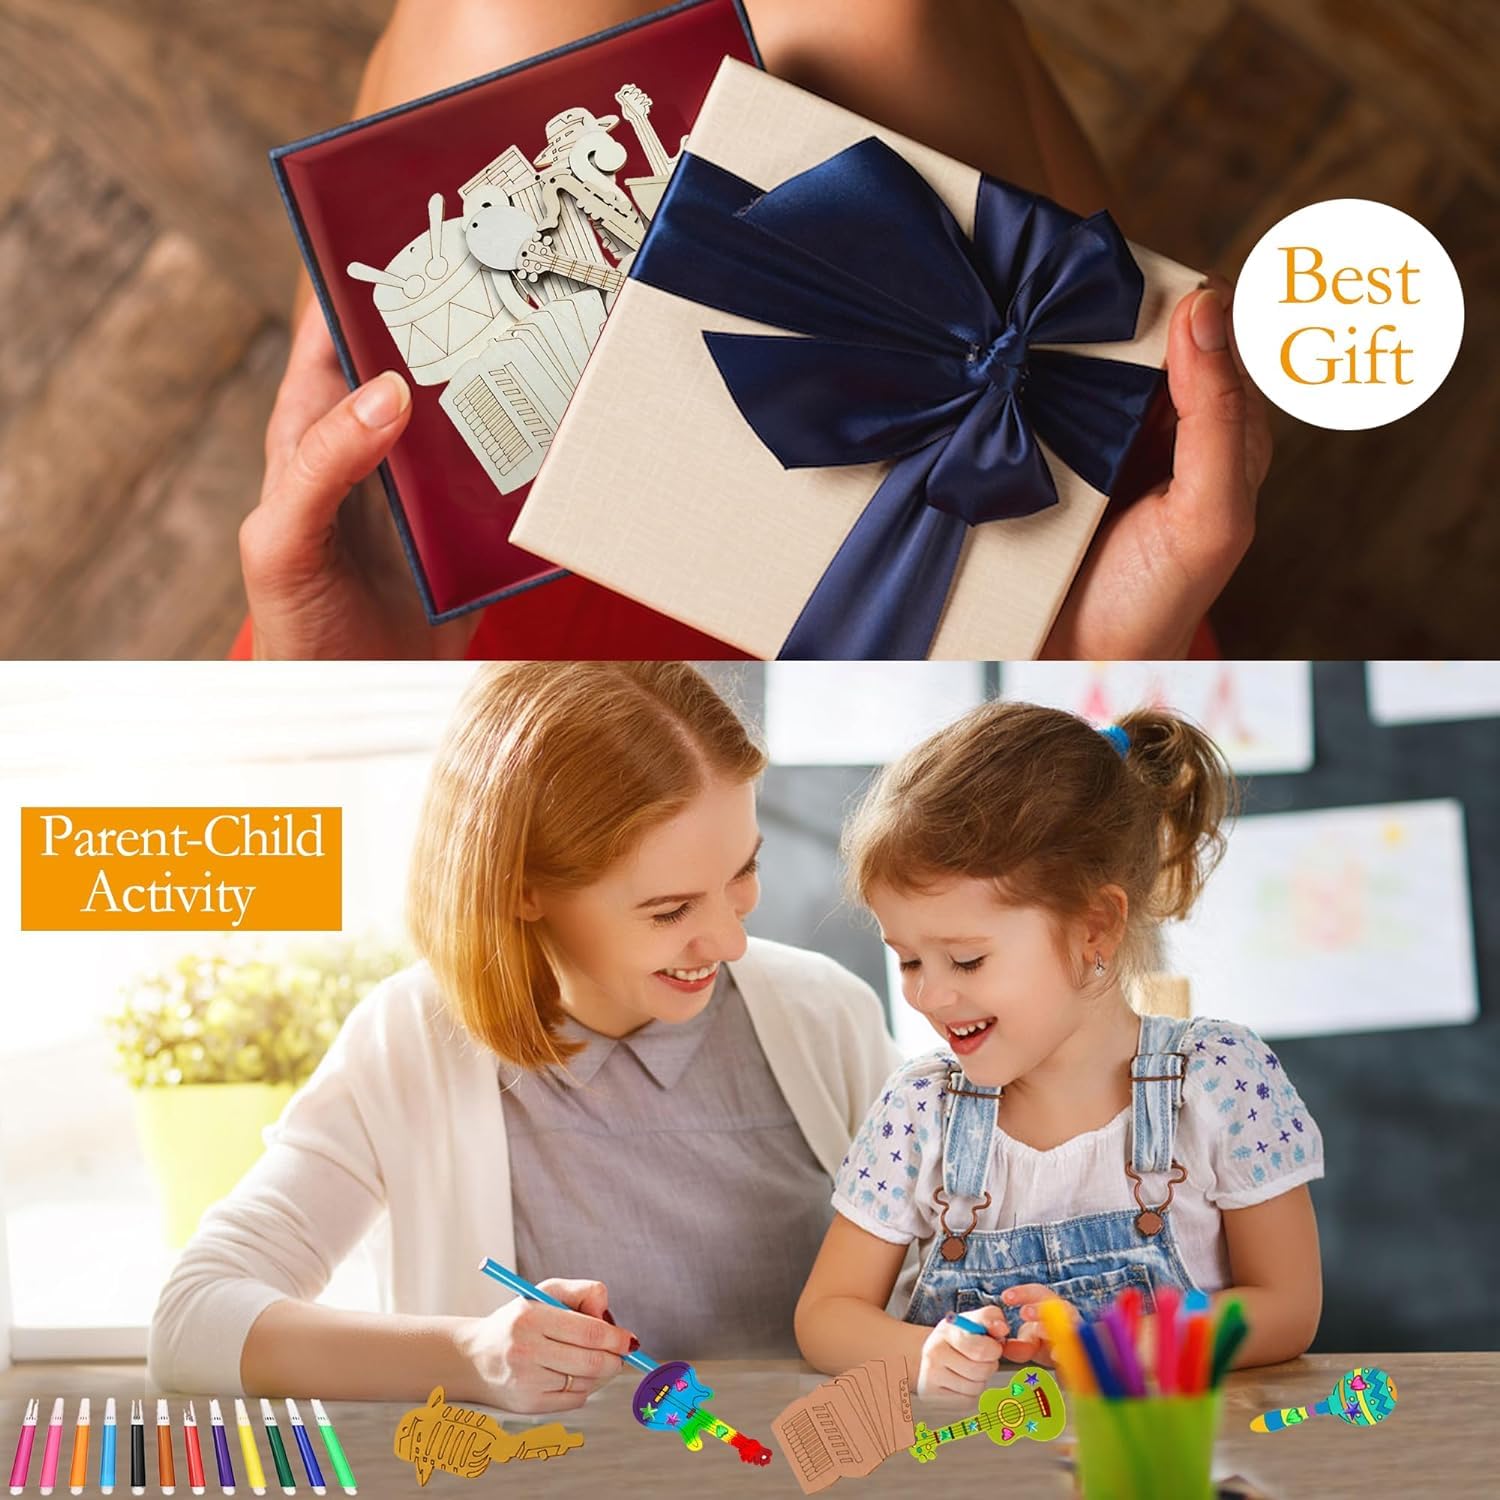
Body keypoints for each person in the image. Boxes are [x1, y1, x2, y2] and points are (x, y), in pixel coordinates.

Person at [240, 0, 1271, 660]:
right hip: (994, 599)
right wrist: (1083, 675)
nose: (730, 914)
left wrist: (339, 695)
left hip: (450, 638)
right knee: (889, 21)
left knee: (491, 17)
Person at [147, 662, 898, 1409]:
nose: (731, 941)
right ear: (522, 889)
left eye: (742, 872)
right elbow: (192, 1320)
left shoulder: (824, 1016)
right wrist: (470, 1356)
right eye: (670, 910)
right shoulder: (410, 1041)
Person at [795, 701, 1324, 1397]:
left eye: (966, 959)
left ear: (1093, 928)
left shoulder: (1220, 1080)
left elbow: (1287, 1306)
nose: (927, 994)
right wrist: (927, 1352)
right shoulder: (920, 1108)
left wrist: (1113, 1346)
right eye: (909, 960)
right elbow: (826, 1317)